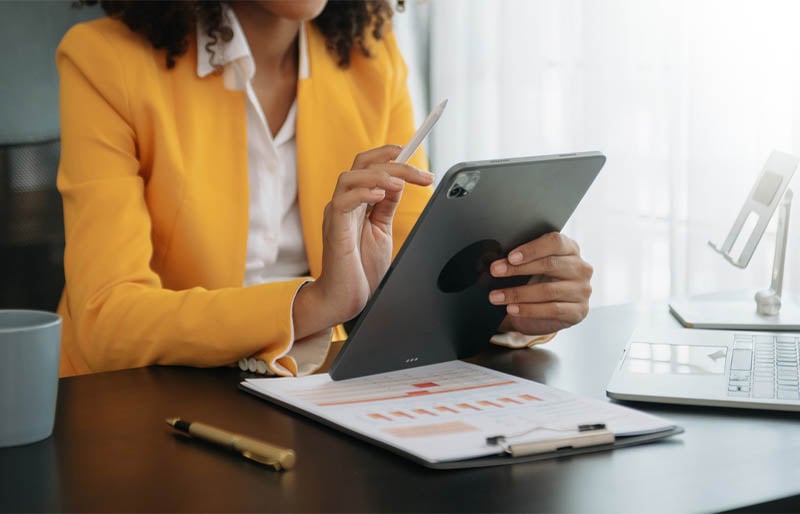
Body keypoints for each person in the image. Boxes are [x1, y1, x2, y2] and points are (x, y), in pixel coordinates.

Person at [56, 0, 593, 378]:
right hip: (145, 406)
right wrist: (313, 303)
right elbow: (107, 319)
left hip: (320, 391)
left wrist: (509, 301)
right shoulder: (104, 60)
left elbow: (414, 285)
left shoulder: (370, 57)